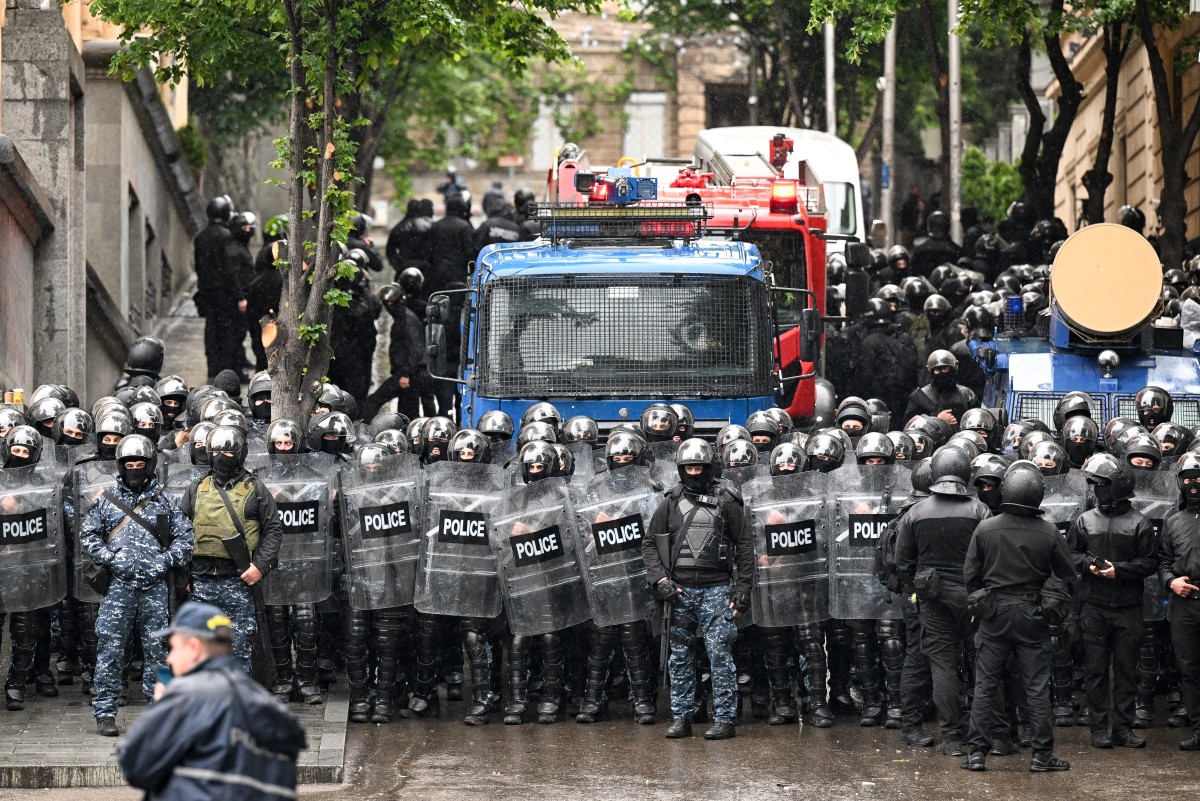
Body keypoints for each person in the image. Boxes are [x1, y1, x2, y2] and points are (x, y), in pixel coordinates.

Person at [118, 601, 307, 800]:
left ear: (193, 648)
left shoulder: (188, 695)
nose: (169, 659)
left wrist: (162, 706)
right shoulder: (277, 712)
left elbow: (136, 767)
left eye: (173, 648)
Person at [961, 461, 1076, 772]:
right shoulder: (1049, 531)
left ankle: (976, 753)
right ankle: (1041, 755)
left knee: (985, 685)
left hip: (994, 613)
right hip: (1032, 614)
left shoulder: (985, 528)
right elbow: (1068, 575)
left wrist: (985, 599)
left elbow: (970, 576)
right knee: (1037, 687)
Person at [80, 434, 195, 736]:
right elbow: (88, 535)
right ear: (120, 466)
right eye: (128, 464)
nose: (134, 468)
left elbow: (186, 538)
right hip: (118, 588)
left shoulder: (166, 501)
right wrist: (110, 558)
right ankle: (105, 711)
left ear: (150, 465)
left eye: (139, 463)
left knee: (158, 653)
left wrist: (166, 560)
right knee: (109, 651)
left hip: (155, 589)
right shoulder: (105, 501)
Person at [643, 438, 751, 740]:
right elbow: (650, 543)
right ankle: (681, 717)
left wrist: (744, 589)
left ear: (709, 467)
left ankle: (726, 718)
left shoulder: (728, 501)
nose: (693, 472)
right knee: (679, 657)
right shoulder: (671, 501)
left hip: (717, 589)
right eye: (688, 467)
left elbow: (744, 547)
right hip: (679, 592)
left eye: (698, 467)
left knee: (720, 656)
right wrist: (660, 580)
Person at [894, 447, 992, 756]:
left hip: (933, 599)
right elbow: (992, 558)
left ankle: (951, 738)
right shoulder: (980, 511)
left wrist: (921, 585)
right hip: (973, 598)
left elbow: (902, 561)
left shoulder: (916, 512)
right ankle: (985, 735)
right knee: (982, 664)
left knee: (942, 667)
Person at [1067, 453, 1156, 749]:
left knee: (1126, 672)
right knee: (1095, 671)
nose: (1097, 489)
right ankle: (1098, 728)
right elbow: (1070, 554)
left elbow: (1150, 562)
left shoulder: (1139, 522)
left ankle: (1122, 727)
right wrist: (1087, 566)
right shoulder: (1085, 520)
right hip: (1094, 606)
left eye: (1101, 484)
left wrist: (1120, 571)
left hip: (1128, 609)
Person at [181, 426, 284, 672]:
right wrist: (183, 573)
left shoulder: (256, 490)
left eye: (227, 452)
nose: (220, 457)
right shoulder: (196, 489)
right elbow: (181, 532)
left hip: (238, 581)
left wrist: (260, 567)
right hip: (200, 581)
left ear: (239, 453)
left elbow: (273, 530)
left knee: (238, 650)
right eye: (215, 451)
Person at [1159, 452, 1200, 751]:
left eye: (1199, 478)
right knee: (1189, 669)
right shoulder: (1173, 521)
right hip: (1184, 603)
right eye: (1188, 479)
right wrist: (1170, 581)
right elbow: (1163, 562)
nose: (1194, 484)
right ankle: (1199, 728)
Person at [193, 195, 247, 381]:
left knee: (211, 329)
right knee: (228, 332)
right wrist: (239, 295)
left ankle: (212, 367)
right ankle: (227, 370)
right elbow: (230, 271)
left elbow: (199, 267)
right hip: (225, 294)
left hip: (207, 293)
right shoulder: (228, 237)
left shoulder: (200, 238)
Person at [904, 350, 979, 428]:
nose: (941, 373)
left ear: (953, 369)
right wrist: (936, 420)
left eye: (945, 368)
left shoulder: (966, 394)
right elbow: (910, 425)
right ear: (931, 371)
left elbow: (978, 418)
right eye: (937, 370)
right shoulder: (922, 396)